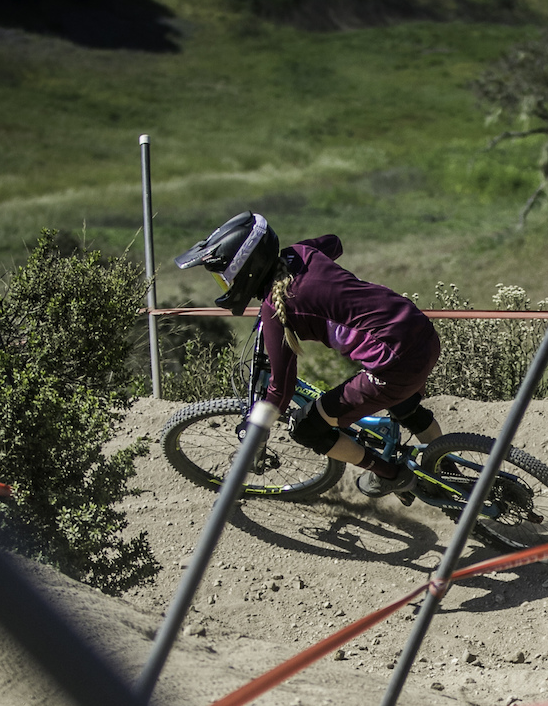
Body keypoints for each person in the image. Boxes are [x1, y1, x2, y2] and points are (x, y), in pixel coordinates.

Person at [174, 212, 444, 497]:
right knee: (406, 408)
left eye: (223, 280)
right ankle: (446, 465)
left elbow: (281, 389)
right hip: (421, 333)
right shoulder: (301, 253)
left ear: (246, 272)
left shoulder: (277, 310)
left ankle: (391, 475)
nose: (224, 287)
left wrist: (256, 427)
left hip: (396, 364)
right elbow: (334, 243)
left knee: (305, 428)